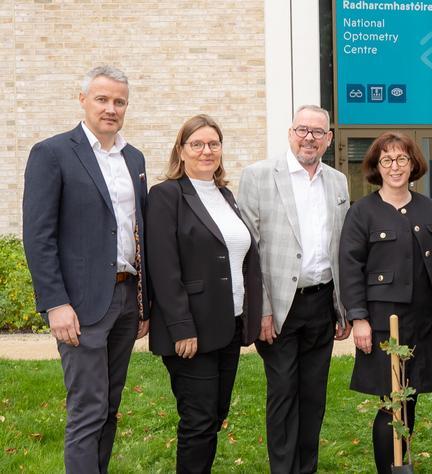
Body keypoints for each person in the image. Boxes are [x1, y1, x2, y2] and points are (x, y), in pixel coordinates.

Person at [22, 65, 150, 473]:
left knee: (110, 407)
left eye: (119, 101)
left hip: (126, 299)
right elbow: (38, 236)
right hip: (80, 305)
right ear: (82, 100)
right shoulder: (53, 153)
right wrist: (55, 302)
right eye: (102, 99)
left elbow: (138, 230)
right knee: (87, 409)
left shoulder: (134, 158)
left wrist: (144, 302)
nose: (111, 108)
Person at [238, 105, 351, 473]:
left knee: (313, 395)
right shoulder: (257, 176)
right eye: (303, 129)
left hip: (321, 303)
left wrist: (341, 308)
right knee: (284, 392)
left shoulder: (337, 181)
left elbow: (340, 248)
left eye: (318, 132)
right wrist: (263, 309)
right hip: (279, 307)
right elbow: (249, 250)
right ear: (290, 132)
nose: (309, 138)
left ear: (328, 139)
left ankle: (307, 468)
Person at [146, 114, 262, 473]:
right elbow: (164, 269)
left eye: (213, 143)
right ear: (181, 151)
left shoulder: (225, 195)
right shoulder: (166, 196)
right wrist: (182, 328)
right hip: (192, 331)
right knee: (198, 421)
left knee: (215, 415)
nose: (206, 150)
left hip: (228, 323)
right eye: (197, 144)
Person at [339, 132, 432, 473]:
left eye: (402, 159)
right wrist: (359, 318)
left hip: (423, 320)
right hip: (383, 321)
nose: (395, 167)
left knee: (410, 396)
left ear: (413, 164)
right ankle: (390, 468)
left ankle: (403, 463)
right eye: (386, 160)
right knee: (390, 401)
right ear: (376, 167)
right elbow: (350, 267)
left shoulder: (430, 208)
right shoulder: (362, 212)